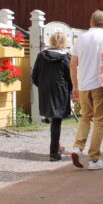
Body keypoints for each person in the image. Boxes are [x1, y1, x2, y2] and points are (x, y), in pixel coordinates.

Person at [70, 10, 103, 170]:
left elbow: (72, 64)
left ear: (90, 22)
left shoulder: (80, 39)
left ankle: (78, 148)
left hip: (84, 85)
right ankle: (94, 159)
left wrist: (74, 86)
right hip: (101, 84)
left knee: (86, 117)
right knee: (100, 120)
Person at [31, 32, 72, 162]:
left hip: (45, 90)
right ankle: (54, 153)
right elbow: (69, 78)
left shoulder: (41, 56)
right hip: (60, 90)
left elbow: (35, 76)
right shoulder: (66, 57)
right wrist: (71, 90)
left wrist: (42, 86)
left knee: (54, 120)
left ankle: (57, 147)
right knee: (56, 121)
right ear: (64, 42)